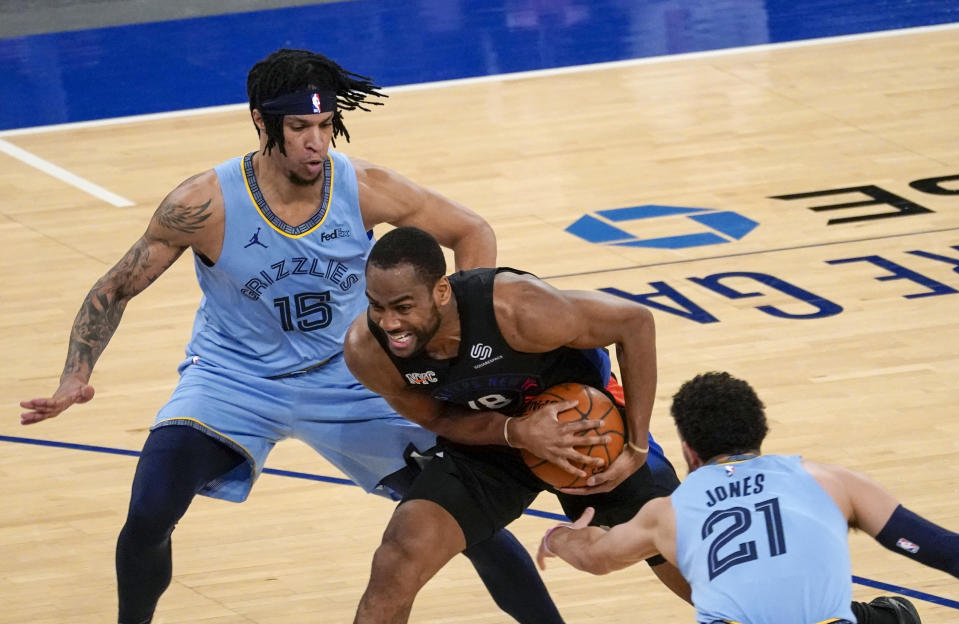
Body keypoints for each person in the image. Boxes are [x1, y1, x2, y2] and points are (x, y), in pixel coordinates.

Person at [18, 48, 566, 624]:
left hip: (355, 378)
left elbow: (470, 229)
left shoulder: (364, 187)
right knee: (151, 509)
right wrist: (75, 374)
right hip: (235, 381)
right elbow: (116, 287)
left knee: (466, 518)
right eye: (300, 127)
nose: (317, 142)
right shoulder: (203, 203)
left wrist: (457, 336)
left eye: (326, 125)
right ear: (262, 121)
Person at [343, 225, 691, 624]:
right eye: (377, 306)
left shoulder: (517, 309)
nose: (389, 324)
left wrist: (638, 443)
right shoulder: (369, 352)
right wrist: (518, 432)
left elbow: (635, 323)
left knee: (687, 559)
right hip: (491, 440)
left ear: (441, 292)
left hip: (584, 427)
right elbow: (439, 417)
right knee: (396, 560)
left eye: (403, 308)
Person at [537, 371, 959, 624]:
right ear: (761, 432)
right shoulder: (832, 482)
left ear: (688, 450)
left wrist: (558, 538)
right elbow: (944, 551)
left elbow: (597, 557)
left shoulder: (667, 514)